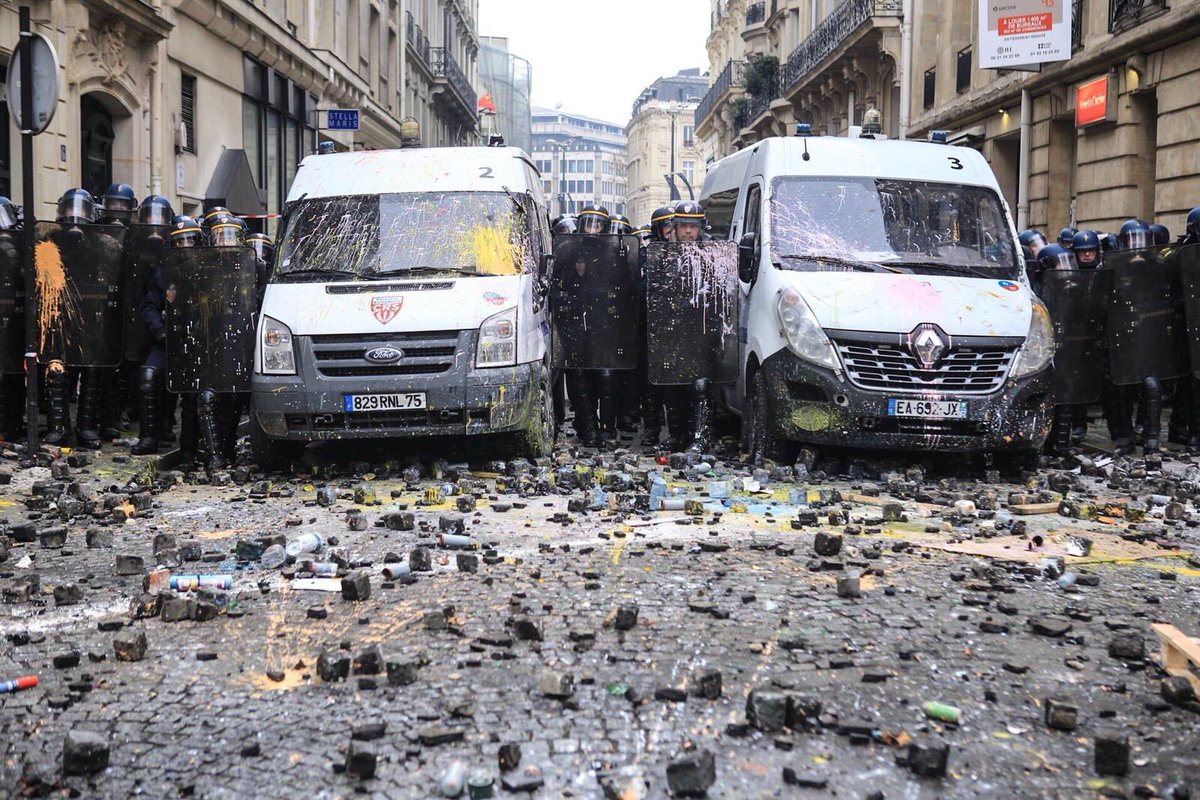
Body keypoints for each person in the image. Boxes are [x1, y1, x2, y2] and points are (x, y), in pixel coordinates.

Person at [132, 217, 202, 458]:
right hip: (168, 340)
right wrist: (159, 330)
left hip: (195, 344)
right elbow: (149, 306)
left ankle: (189, 448)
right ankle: (149, 437)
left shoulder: (207, 271)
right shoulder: (162, 273)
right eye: (180, 241)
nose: (185, 246)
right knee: (149, 374)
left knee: (193, 388)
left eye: (190, 240)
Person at [0, 197, 24, 441]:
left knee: (12, 375)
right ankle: (11, 425)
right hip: (10, 317)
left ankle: (12, 425)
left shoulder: (10, 247)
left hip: (12, 316)